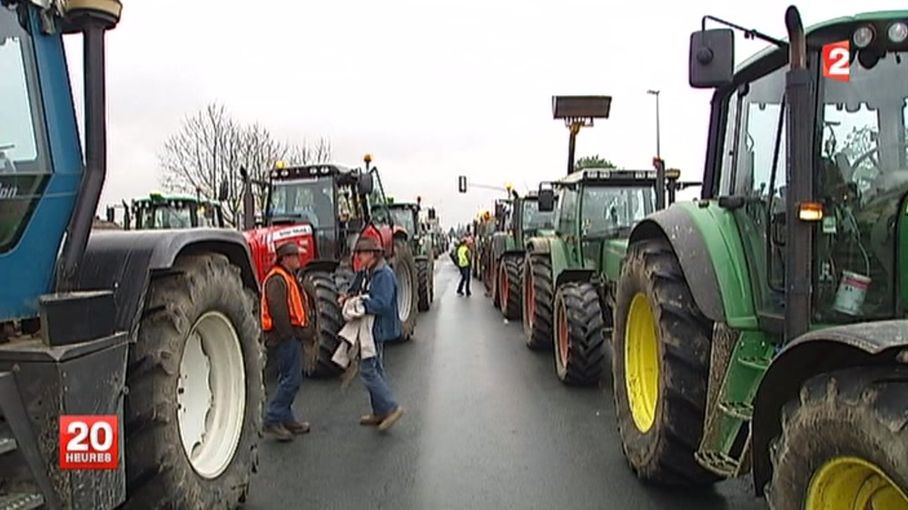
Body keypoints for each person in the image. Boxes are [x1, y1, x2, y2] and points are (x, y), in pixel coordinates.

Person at [346, 237, 405, 431]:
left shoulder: (383, 275)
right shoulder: (368, 272)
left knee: (368, 370)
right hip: (372, 328)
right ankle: (379, 411)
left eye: (361, 254)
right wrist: (348, 296)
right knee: (376, 368)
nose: (359, 257)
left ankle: (391, 408)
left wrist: (361, 304)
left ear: (372, 254)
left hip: (378, 328)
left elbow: (382, 304)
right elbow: (357, 286)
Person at [262, 242, 312, 442]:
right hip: (284, 338)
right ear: (285, 259)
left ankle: (286, 418)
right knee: (292, 380)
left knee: (288, 379)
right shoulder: (277, 279)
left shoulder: (287, 276)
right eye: (295, 256)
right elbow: (278, 311)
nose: (299, 259)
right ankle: (273, 418)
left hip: (288, 336)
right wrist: (289, 335)